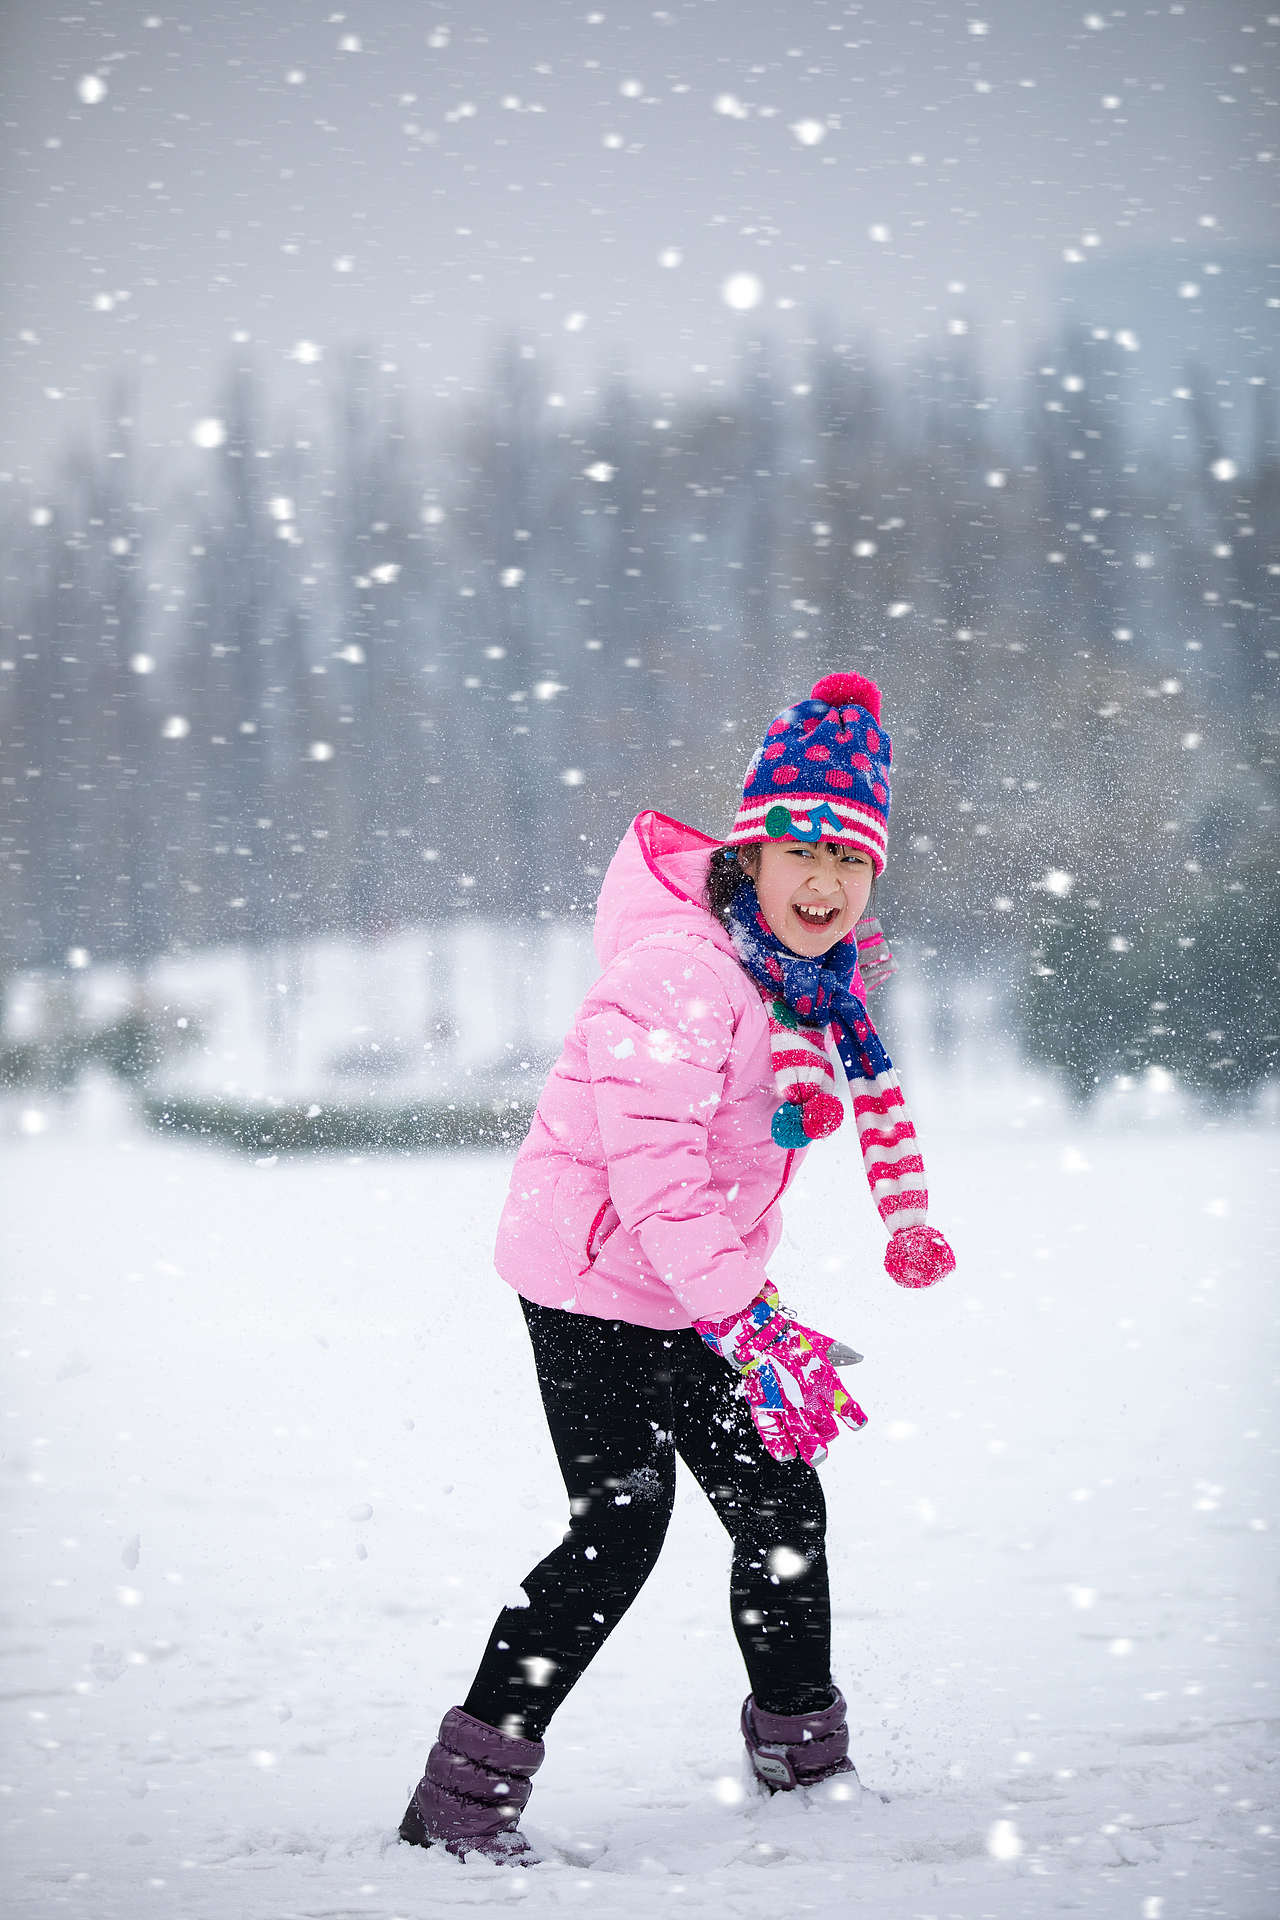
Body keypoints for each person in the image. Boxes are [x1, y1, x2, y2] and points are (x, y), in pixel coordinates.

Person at [399, 671, 955, 1863]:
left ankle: (804, 1769)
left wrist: (742, 1311)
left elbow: (721, 1187)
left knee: (777, 1502)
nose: (824, 884)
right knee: (618, 1529)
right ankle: (459, 1807)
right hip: (592, 1279)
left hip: (698, 1288)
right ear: (749, 853)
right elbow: (654, 1184)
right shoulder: (681, 973)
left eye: (851, 863)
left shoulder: (801, 985)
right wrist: (753, 1320)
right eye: (800, 851)